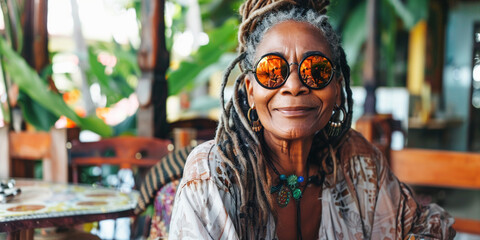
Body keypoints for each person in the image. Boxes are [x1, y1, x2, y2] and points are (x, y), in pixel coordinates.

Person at [169, 0, 456, 239]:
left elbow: (427, 224)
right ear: (250, 90)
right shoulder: (214, 176)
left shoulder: (357, 160)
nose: (293, 85)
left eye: (315, 70)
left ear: (338, 90)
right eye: (272, 70)